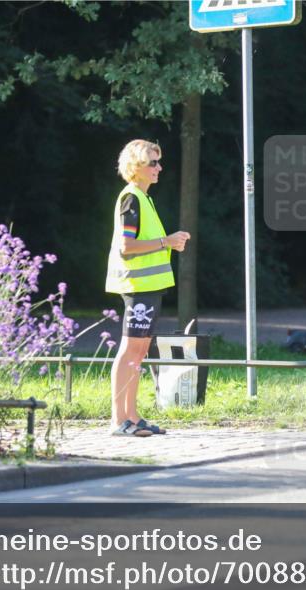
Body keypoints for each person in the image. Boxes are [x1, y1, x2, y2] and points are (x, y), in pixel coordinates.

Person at [105, 140, 190, 437]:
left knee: (138, 354)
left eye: (159, 162)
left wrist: (168, 241)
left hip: (149, 287)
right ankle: (119, 420)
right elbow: (127, 247)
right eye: (153, 162)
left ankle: (132, 415)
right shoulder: (131, 199)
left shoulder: (143, 198)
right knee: (130, 352)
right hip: (138, 287)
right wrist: (167, 241)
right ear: (136, 166)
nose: (159, 168)